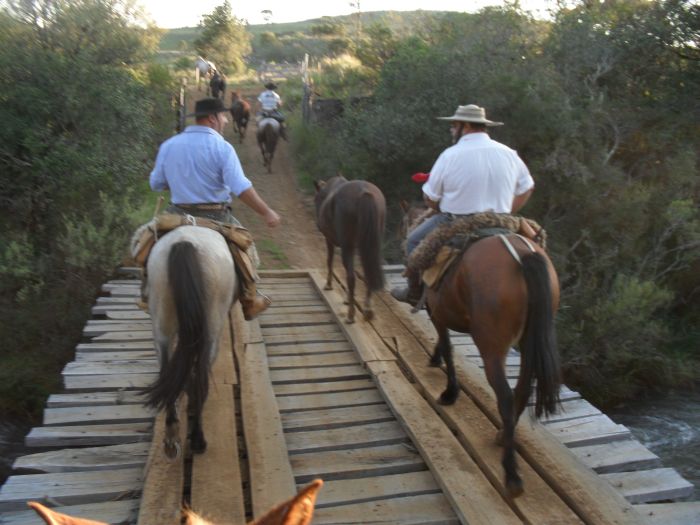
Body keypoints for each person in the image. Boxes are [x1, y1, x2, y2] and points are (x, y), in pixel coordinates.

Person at [149, 97, 282, 320]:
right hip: (216, 215)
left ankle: (147, 294)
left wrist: (180, 178)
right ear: (212, 119)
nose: (227, 121)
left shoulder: (169, 145)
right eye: (223, 116)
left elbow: (156, 184)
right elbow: (240, 188)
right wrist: (267, 212)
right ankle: (250, 299)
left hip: (176, 214)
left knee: (145, 245)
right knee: (249, 252)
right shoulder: (222, 147)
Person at [391, 104, 535, 305]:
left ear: (464, 126)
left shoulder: (450, 155)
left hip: (456, 221)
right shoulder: (509, 153)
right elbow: (527, 188)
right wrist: (508, 211)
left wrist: (440, 206)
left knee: (413, 240)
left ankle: (414, 292)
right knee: (536, 241)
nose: (451, 129)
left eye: (453, 125)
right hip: (502, 221)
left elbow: (429, 198)